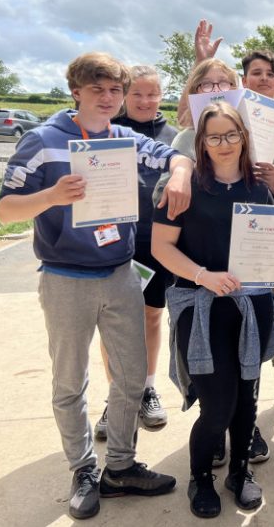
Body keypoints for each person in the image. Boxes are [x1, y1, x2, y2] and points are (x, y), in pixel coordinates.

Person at [0, 52, 191, 520]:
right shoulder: (43, 141)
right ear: (76, 92)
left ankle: (120, 466)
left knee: (131, 376)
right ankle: (83, 468)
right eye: (97, 89)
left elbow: (176, 153)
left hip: (121, 273)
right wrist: (50, 196)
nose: (107, 98)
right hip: (66, 278)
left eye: (114, 90)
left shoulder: (125, 140)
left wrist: (181, 172)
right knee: (70, 381)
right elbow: (4, 211)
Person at [152, 101, 274, 518]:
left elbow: (266, 248)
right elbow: (161, 247)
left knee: (246, 400)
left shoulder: (258, 188)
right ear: (201, 141)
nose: (224, 144)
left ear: (244, 137)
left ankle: (239, 472)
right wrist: (203, 275)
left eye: (231, 134)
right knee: (217, 404)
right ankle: (200, 477)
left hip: (251, 306)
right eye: (214, 136)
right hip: (201, 308)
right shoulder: (185, 186)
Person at [191, 21, 274, 458]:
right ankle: (218, 421)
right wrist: (202, 61)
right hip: (214, 248)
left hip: (265, 242)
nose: (263, 79)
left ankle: (270, 396)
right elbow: (192, 137)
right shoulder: (212, 126)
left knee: (269, 320)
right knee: (219, 333)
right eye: (254, 73)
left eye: (270, 73)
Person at [92, 65, 178, 440]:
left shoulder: (173, 139)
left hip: (156, 244)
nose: (145, 101)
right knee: (113, 323)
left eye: (152, 94)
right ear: (125, 95)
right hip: (112, 244)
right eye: (137, 93)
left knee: (151, 317)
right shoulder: (105, 133)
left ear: (161, 96)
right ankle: (116, 398)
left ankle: (146, 390)